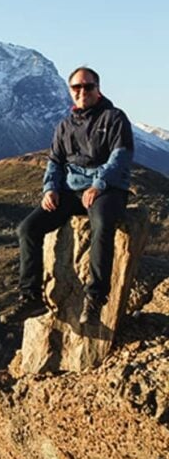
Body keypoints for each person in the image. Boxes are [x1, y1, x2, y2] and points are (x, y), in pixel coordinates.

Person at [14, 66, 134, 326]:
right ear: (70, 91)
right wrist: (50, 189)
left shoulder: (114, 118)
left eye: (88, 87)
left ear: (98, 89)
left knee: (102, 225)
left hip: (108, 189)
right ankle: (30, 296)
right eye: (76, 88)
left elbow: (120, 157)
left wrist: (99, 184)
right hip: (71, 191)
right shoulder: (64, 125)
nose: (82, 92)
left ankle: (95, 298)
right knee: (28, 228)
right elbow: (55, 161)